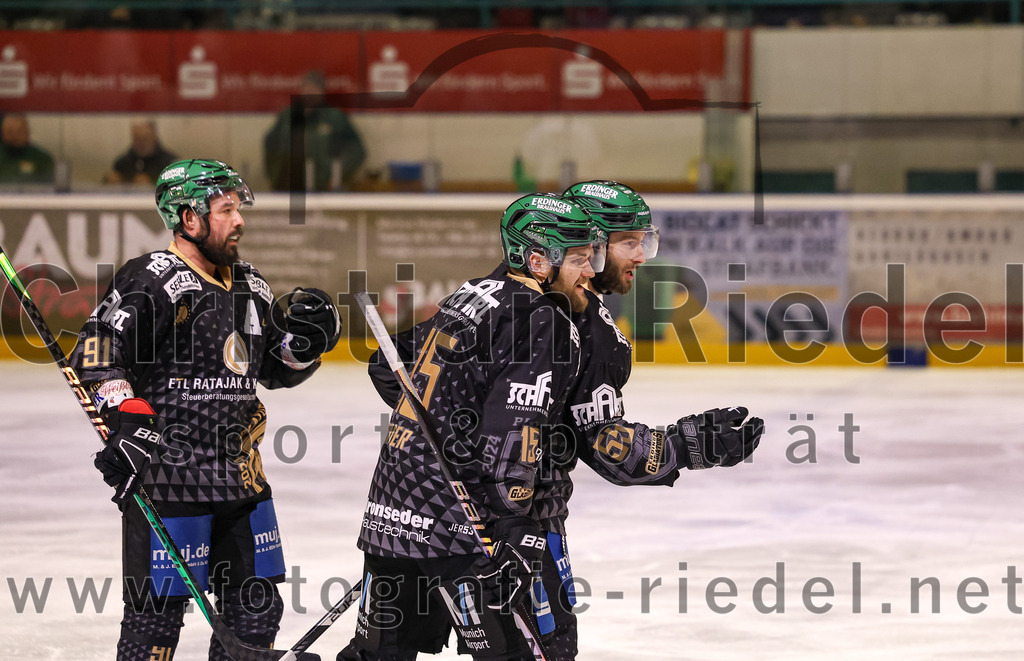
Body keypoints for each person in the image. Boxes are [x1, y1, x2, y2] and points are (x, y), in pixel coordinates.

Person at [70, 159, 341, 661]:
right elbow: (97, 354)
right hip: (171, 481)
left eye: (238, 209)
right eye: (225, 210)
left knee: (257, 613)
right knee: (155, 624)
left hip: (242, 481)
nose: (239, 220)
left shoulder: (251, 285)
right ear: (189, 219)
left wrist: (305, 345)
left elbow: (270, 369)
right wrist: (126, 415)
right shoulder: (150, 279)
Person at [339, 194, 607, 660]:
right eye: (581, 258)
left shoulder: (471, 294)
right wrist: (516, 524)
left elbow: (389, 367)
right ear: (540, 260)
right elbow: (514, 431)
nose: (591, 271)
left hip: (392, 507)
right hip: (459, 524)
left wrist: (442, 423)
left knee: (377, 655)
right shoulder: (543, 317)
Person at [504, 181, 765, 660]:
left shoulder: (492, 290)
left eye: (645, 240)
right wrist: (688, 445)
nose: (642, 255)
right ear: (591, 242)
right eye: (629, 242)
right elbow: (607, 448)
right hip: (517, 529)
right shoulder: (593, 335)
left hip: (418, 510)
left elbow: (395, 370)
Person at [264, 70, 366, 192]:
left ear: (322, 92)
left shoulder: (334, 117)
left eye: (314, 89)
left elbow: (357, 150)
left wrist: (338, 175)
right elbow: (270, 144)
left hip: (323, 189)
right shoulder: (287, 117)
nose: (309, 93)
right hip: (289, 188)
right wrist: (274, 176)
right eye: (306, 88)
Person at [104, 120, 178, 185]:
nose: (141, 143)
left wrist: (152, 182)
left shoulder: (170, 163)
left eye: (145, 138)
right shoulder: (122, 163)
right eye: (137, 139)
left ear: (154, 137)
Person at [0, 112, 55, 184]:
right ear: (3, 133)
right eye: (10, 131)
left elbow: (50, 187)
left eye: (19, 131)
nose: (14, 136)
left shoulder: (42, 158)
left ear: (27, 131)